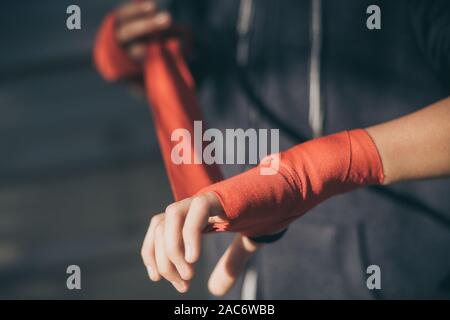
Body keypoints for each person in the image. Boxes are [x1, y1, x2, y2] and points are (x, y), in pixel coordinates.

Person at [94, 0, 450, 299]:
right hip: (245, 279)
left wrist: (312, 172)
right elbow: (201, 78)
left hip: (398, 276)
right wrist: (135, 62)